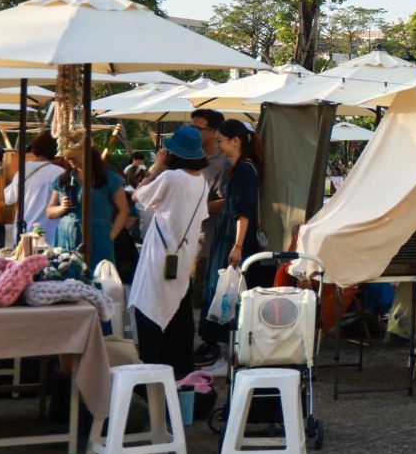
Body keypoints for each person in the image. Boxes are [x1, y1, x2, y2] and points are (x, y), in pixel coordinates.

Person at [129, 126, 213, 375]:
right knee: (179, 317)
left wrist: (156, 166)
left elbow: (138, 196)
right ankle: (179, 377)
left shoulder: (171, 177)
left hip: (159, 257)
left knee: (151, 312)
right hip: (182, 257)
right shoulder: (202, 182)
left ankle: (153, 378)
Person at [203, 120, 268, 316]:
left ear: (235, 141)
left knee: (226, 289)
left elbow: (243, 212)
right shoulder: (242, 167)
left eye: (220, 141)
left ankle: (222, 338)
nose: (217, 146)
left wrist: (237, 246)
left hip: (235, 237)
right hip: (231, 235)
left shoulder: (245, 169)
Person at [46, 149, 130, 269]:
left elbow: (124, 210)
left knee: (98, 278)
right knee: (67, 280)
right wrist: (62, 208)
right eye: (67, 157)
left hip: (98, 237)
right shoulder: (64, 179)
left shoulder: (108, 178)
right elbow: (50, 212)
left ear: (86, 153)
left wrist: (110, 236)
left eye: (73, 156)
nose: (69, 160)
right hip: (66, 238)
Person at [2, 132, 64, 244]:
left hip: (23, 231)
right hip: (49, 234)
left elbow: (8, 198)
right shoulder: (60, 173)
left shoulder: (23, 170)